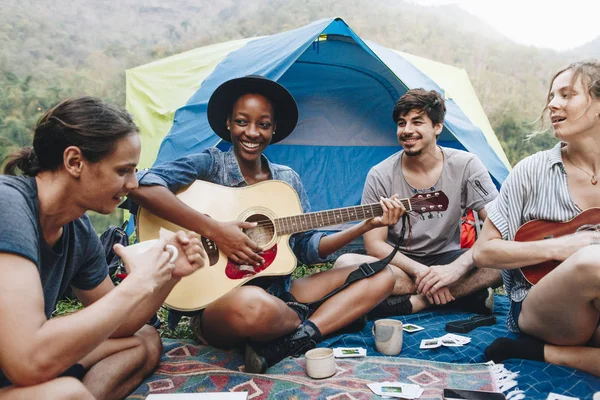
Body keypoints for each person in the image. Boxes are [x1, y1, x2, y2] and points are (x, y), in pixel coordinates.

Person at [127, 75, 404, 373]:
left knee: (383, 276)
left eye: (263, 124)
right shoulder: (210, 165)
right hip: (222, 302)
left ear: (274, 130)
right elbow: (142, 184)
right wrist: (216, 231)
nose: (252, 132)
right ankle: (321, 319)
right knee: (253, 306)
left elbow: (307, 247)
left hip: (282, 293)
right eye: (242, 122)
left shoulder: (286, 180)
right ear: (228, 124)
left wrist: (363, 226)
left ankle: (296, 338)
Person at [0, 97, 206, 399]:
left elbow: (118, 325)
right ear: (74, 162)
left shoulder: (77, 229)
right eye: (123, 171)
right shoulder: (9, 206)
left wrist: (167, 273)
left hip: (17, 365)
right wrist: (136, 284)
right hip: (22, 360)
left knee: (144, 340)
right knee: (66, 394)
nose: (134, 184)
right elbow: (27, 363)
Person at [473, 60, 600, 377]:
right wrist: (561, 247)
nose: (552, 104)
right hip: (540, 307)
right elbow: (483, 251)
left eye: (567, 95)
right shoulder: (532, 170)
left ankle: (542, 353)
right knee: (592, 260)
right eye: (552, 95)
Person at [334, 88, 503, 317]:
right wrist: (422, 272)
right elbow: (375, 245)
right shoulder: (380, 174)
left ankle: (411, 303)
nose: (407, 130)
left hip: (448, 259)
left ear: (437, 127)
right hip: (399, 263)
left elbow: (498, 224)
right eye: (402, 123)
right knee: (345, 264)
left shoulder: (467, 165)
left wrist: (456, 269)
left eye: (416, 122)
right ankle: (450, 296)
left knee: (503, 261)